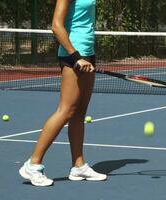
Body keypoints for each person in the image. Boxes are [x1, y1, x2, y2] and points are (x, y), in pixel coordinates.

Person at [19, 0, 107, 186]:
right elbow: (56, 26)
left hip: (87, 52)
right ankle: (33, 164)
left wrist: (86, 56)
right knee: (65, 110)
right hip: (73, 55)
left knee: (80, 112)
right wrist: (76, 56)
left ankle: (78, 166)